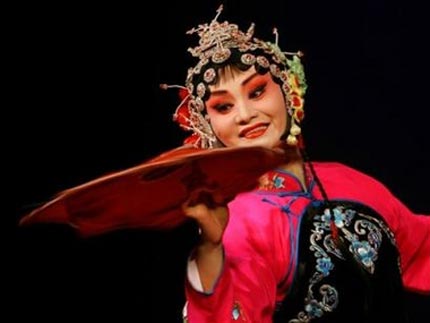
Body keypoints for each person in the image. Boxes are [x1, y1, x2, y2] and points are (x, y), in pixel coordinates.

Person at [157, 5, 430, 323]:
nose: (244, 114)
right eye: (224, 106)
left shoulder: (352, 182)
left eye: (257, 91)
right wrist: (210, 251)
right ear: (208, 127)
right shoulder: (242, 222)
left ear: (288, 92)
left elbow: (421, 248)